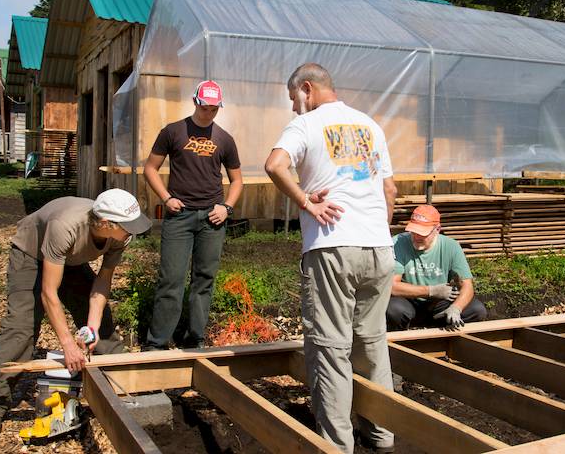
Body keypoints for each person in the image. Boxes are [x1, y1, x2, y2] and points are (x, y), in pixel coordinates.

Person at [265, 63, 398, 453]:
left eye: (294, 98)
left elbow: (274, 165)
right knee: (372, 344)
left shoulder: (307, 125)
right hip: (378, 249)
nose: (293, 107)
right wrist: (377, 228)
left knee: (330, 348)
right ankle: (382, 433)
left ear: (307, 88)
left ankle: (337, 446)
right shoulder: (370, 125)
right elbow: (389, 189)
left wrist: (306, 201)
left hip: (333, 249)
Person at [0, 189, 151, 440]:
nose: (131, 231)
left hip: (70, 259)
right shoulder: (65, 227)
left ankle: (124, 382)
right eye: (127, 226)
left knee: (103, 326)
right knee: (21, 328)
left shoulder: (120, 236)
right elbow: (49, 293)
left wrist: (91, 328)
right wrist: (67, 344)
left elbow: (102, 283)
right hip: (31, 254)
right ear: (105, 223)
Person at [142, 80, 243, 351]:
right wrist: (166, 198)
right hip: (180, 216)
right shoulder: (173, 132)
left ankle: (194, 339)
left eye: (214, 109)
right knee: (171, 280)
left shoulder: (224, 139)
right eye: (204, 106)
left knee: (204, 280)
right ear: (195, 101)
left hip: (212, 219)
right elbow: (150, 168)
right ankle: (157, 342)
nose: (208, 113)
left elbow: (237, 181)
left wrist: (227, 208)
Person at [386, 205, 487, 331]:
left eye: (422, 233)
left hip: (439, 303)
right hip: (408, 301)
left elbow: (467, 285)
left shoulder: (451, 246)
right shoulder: (397, 244)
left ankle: (440, 330)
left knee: (477, 310)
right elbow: (392, 286)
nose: (417, 237)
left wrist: (456, 308)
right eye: (414, 232)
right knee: (393, 309)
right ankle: (404, 333)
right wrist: (431, 291)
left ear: (437, 229)